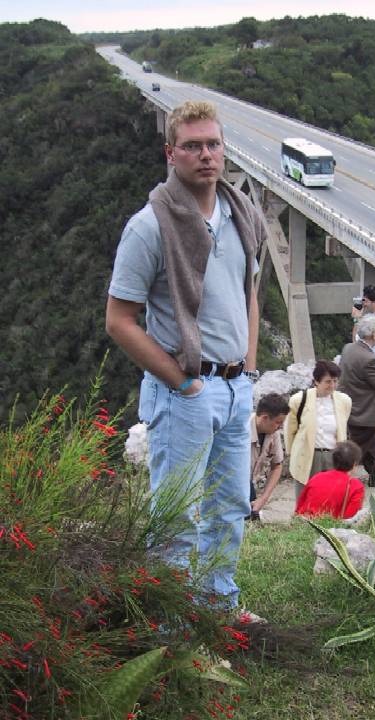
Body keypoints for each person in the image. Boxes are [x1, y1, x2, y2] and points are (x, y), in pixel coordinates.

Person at [106, 100, 266, 608]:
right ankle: (169, 625)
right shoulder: (149, 227)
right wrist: (184, 384)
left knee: (229, 506)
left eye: (213, 144)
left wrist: (249, 368)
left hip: (237, 388)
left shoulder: (242, 214)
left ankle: (219, 606)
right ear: (170, 152)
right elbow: (119, 320)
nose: (206, 155)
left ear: (224, 149)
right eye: (193, 146)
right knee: (176, 514)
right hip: (186, 393)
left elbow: (249, 293)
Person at [339, 316, 375, 486]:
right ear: (374, 335)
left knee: (371, 445)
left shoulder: (349, 348)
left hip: (352, 406)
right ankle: (338, 478)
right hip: (365, 411)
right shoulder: (369, 359)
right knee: (356, 449)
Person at [285, 360, 352, 499]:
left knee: (332, 498)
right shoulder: (298, 400)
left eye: (335, 381)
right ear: (316, 381)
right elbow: (290, 431)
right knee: (306, 498)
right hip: (309, 456)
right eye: (328, 381)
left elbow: (342, 426)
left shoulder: (344, 401)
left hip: (334, 456)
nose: (332, 385)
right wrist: (294, 455)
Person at [295, 441, 365, 519]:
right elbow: (350, 517)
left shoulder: (317, 477)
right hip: (329, 528)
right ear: (354, 464)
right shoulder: (356, 486)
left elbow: (300, 505)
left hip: (305, 523)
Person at [248, 393, 289, 521]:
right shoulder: (242, 429)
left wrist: (263, 499)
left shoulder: (273, 432)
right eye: (278, 422)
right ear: (265, 418)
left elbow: (277, 465)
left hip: (250, 484)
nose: (280, 427)